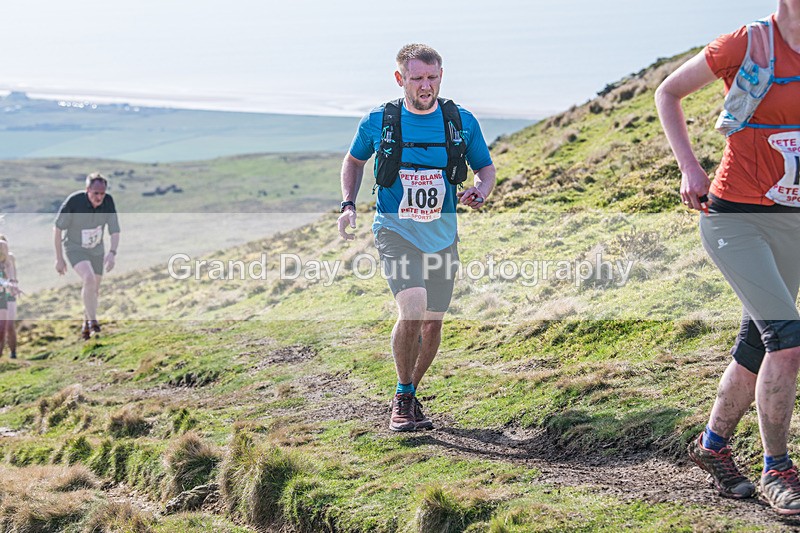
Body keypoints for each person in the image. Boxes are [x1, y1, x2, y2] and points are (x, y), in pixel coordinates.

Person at [656, 1, 800, 515]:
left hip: (792, 221)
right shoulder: (750, 43)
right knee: (787, 343)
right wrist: (689, 168)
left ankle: (712, 447)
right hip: (734, 219)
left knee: (757, 345)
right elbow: (667, 91)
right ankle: (777, 469)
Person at [338, 43, 496, 432]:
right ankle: (404, 399)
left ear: (441, 76)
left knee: (432, 324)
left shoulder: (461, 121)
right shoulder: (379, 120)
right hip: (395, 230)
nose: (426, 86)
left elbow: (485, 168)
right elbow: (354, 160)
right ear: (400, 79)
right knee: (413, 308)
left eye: (432, 77)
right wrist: (347, 204)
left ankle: (405, 392)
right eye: (417, 78)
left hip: (442, 236)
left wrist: (481, 190)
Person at [54, 172, 120, 341]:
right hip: (75, 247)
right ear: (87, 190)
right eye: (95, 193)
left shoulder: (108, 202)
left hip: (97, 249)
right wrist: (59, 258)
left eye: (102, 193)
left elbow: (114, 230)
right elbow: (58, 228)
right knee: (89, 279)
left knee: (94, 289)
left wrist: (112, 253)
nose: (99, 197)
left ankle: (85, 325)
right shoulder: (74, 202)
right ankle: (93, 322)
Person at [0, 236, 21, 359]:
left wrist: (13, 285)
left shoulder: (10, 258)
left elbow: (12, 273)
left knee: (10, 325)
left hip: (9, 294)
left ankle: (13, 353)